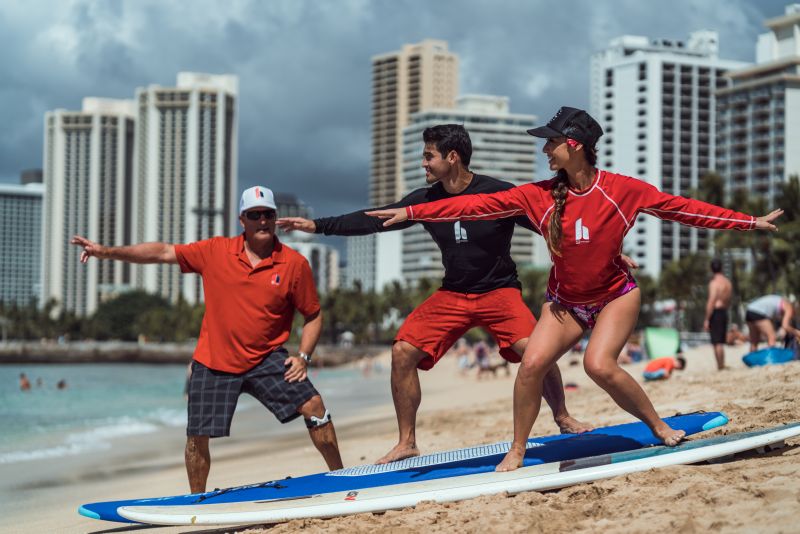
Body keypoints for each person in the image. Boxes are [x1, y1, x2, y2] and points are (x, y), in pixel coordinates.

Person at [367, 106, 782, 471]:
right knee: (531, 365)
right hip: (564, 302)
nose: (545, 151)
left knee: (598, 366)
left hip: (615, 296)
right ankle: (517, 448)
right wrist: (412, 211)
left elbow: (683, 209)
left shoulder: (622, 191)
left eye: (551, 143)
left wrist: (750, 222)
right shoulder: (538, 196)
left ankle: (658, 426)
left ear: (574, 144)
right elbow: (473, 205)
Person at [278, 124, 594, 465]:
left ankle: (562, 415)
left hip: (499, 291)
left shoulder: (498, 193)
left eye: (429, 156)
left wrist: (603, 251)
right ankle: (407, 442)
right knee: (402, 352)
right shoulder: (426, 199)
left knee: (536, 352)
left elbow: (550, 225)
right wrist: (319, 226)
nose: (424, 163)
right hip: (453, 294)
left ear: (452, 157)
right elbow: (375, 219)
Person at [70, 186, 343, 492]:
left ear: (275, 217)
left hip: (267, 358)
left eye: (268, 214)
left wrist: (303, 357)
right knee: (196, 437)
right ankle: (197, 502)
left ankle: (342, 480)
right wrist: (106, 252)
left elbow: (313, 315)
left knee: (315, 406)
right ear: (242, 219)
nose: (262, 220)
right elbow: (162, 252)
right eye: (255, 215)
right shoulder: (215, 251)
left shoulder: (294, 264)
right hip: (214, 360)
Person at [704, 258, 733, 370]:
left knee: (716, 342)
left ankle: (720, 366)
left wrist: (707, 319)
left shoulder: (714, 283)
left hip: (716, 312)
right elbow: (729, 300)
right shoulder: (728, 283)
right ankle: (722, 364)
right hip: (724, 311)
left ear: (711, 269)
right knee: (721, 340)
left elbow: (712, 300)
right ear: (721, 268)